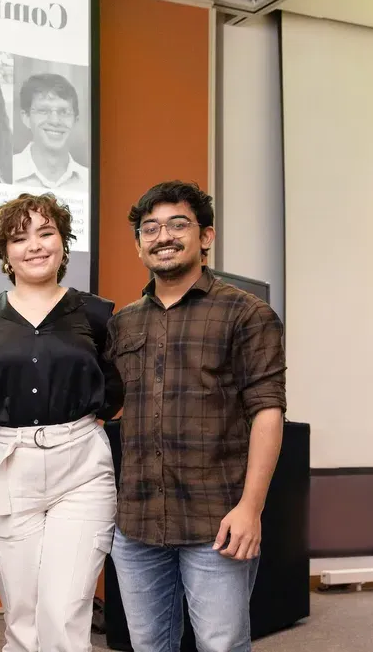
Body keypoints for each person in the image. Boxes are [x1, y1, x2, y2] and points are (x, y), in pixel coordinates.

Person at [107, 181, 286, 652]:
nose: (163, 236)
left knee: (221, 645)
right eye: (150, 228)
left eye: (177, 224)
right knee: (148, 646)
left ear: (205, 237)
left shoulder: (247, 313)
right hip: (138, 523)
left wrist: (251, 508)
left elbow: (268, 410)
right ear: (141, 245)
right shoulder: (124, 321)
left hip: (217, 521)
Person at [0, 193, 123, 652]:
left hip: (81, 468)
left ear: (63, 242)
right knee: (23, 618)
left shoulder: (95, 314)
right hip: (8, 466)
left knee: (65, 610)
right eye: (19, 237)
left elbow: (115, 383)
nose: (34, 245)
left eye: (46, 232)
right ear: (5, 252)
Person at [10, 73, 88, 193]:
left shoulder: (88, 182)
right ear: (26, 117)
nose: (55, 121)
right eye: (43, 111)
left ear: (75, 121)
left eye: (64, 112)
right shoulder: (5, 172)